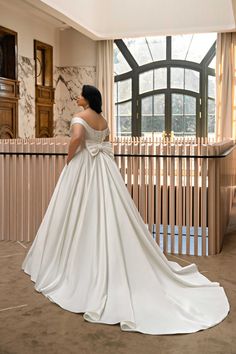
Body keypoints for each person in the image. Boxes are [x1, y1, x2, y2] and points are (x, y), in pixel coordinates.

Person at [22, 84, 229, 335]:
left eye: (80, 95)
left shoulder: (80, 117)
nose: (77, 97)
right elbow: (106, 142)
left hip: (84, 166)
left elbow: (76, 138)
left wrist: (69, 159)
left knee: (79, 211)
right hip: (104, 169)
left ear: (87, 99)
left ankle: (76, 262)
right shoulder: (102, 119)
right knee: (109, 211)